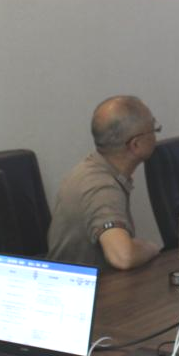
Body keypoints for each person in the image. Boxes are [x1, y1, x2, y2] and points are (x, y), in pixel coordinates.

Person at [47, 95, 162, 270]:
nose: (156, 135)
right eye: (153, 129)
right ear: (135, 145)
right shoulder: (102, 188)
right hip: (84, 286)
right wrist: (151, 247)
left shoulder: (91, 168)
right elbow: (123, 257)